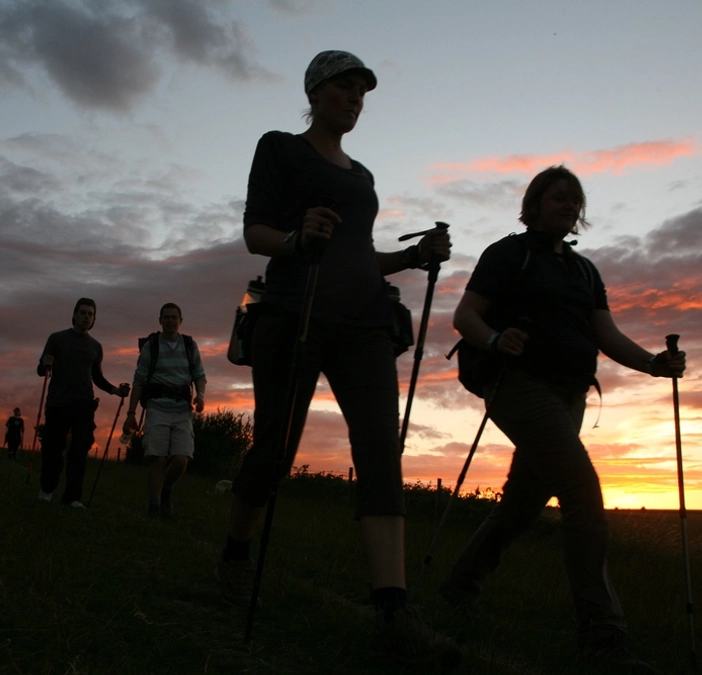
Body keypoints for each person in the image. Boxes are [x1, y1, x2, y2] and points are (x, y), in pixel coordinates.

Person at [214, 50, 460, 669]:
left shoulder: (363, 175)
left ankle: (393, 610)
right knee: (273, 450)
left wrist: (413, 258)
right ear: (316, 92)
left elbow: (360, 253)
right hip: (293, 312)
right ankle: (236, 556)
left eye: (362, 93)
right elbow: (256, 234)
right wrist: (297, 239)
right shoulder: (279, 148)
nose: (355, 99)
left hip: (364, 324)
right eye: (345, 88)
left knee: (380, 450)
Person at [440, 165, 686, 673]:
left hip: (571, 396)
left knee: (522, 506)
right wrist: (493, 340)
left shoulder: (584, 271)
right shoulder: (508, 254)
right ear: (533, 204)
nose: (569, 205)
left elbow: (606, 335)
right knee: (581, 493)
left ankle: (458, 588)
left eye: (575, 200)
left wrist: (653, 364)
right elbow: (465, 316)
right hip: (519, 388)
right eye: (559, 197)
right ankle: (603, 639)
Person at [36, 297, 130, 509]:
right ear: (75, 315)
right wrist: (45, 364)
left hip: (84, 404)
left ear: (94, 319)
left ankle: (72, 497)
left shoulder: (95, 346)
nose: (86, 316)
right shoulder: (57, 339)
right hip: (58, 403)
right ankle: (47, 488)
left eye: (90, 314)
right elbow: (42, 370)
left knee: (79, 451)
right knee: (53, 449)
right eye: (83, 312)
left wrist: (115, 390)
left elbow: (96, 376)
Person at [123, 303, 208, 519]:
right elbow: (139, 380)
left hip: (182, 410)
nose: (170, 320)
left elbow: (199, 374)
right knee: (157, 458)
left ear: (181, 320)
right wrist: (131, 413)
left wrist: (200, 395)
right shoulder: (151, 346)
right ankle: (154, 507)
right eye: (166, 317)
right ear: (160, 320)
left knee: (182, 458)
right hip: (157, 407)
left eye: (174, 317)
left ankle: (166, 490)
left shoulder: (189, 345)